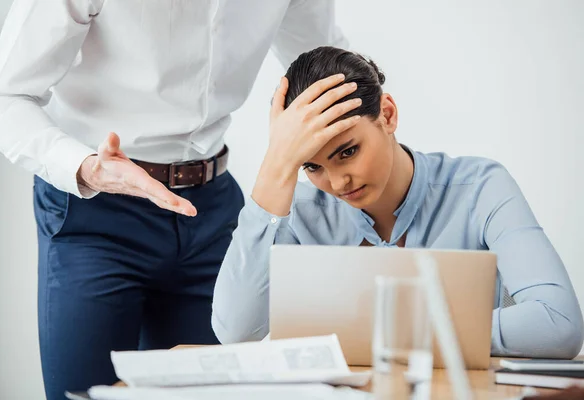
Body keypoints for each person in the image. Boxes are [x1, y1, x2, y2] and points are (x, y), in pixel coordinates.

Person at [0, 2, 347, 399]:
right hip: (95, 211)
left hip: (213, 210)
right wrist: (89, 169)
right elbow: (3, 98)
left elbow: (333, 72)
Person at [212, 46, 584, 359]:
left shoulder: (480, 189)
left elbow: (558, 323)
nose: (338, 182)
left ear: (386, 115)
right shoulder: (300, 211)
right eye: (312, 166)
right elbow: (236, 331)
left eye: (348, 151)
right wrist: (277, 165)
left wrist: (392, 329)